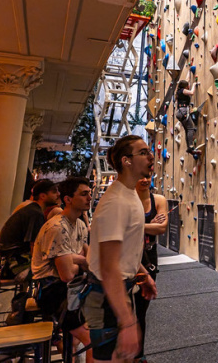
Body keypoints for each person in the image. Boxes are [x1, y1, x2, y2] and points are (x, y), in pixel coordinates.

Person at [84, 135, 158, 362]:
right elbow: (108, 268)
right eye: (143, 152)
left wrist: (143, 274)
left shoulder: (130, 195)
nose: (151, 156)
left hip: (119, 292)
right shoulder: (116, 202)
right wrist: (127, 322)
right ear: (126, 161)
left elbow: (126, 249)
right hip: (107, 297)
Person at [31, 177, 94, 362]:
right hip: (52, 291)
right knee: (96, 342)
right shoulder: (57, 227)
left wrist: (75, 259)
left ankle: (68, 343)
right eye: (84, 194)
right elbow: (67, 274)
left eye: (90, 193)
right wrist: (80, 260)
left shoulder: (80, 225)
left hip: (71, 289)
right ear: (67, 199)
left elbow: (89, 262)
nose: (89, 197)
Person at [0, 178, 61, 278]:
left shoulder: (31, 209)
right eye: (54, 192)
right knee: (58, 271)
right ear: (42, 196)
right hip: (14, 265)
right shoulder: (35, 213)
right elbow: (34, 245)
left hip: (4, 261)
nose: (58, 194)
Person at [133, 176, 168, 362]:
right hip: (128, 257)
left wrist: (136, 227)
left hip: (148, 258)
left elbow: (161, 227)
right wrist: (149, 225)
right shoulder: (127, 199)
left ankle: (138, 355)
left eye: (148, 175)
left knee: (141, 309)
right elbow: (122, 229)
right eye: (141, 175)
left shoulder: (159, 200)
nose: (145, 179)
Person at [175, 69, 200, 155]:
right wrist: (194, 84)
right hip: (183, 111)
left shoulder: (180, 90)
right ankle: (190, 147)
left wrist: (189, 71)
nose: (188, 85)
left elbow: (187, 80)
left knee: (187, 129)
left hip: (180, 112)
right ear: (185, 86)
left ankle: (189, 147)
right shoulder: (183, 91)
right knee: (190, 128)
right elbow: (192, 93)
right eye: (187, 85)